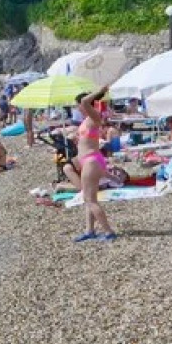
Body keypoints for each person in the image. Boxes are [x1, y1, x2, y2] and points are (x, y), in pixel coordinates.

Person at [72, 87, 117, 242]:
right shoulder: (86, 120)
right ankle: (89, 230)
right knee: (89, 197)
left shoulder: (94, 116)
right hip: (88, 160)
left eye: (78, 104)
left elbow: (86, 101)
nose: (77, 107)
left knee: (90, 200)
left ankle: (109, 231)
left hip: (91, 160)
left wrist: (100, 91)